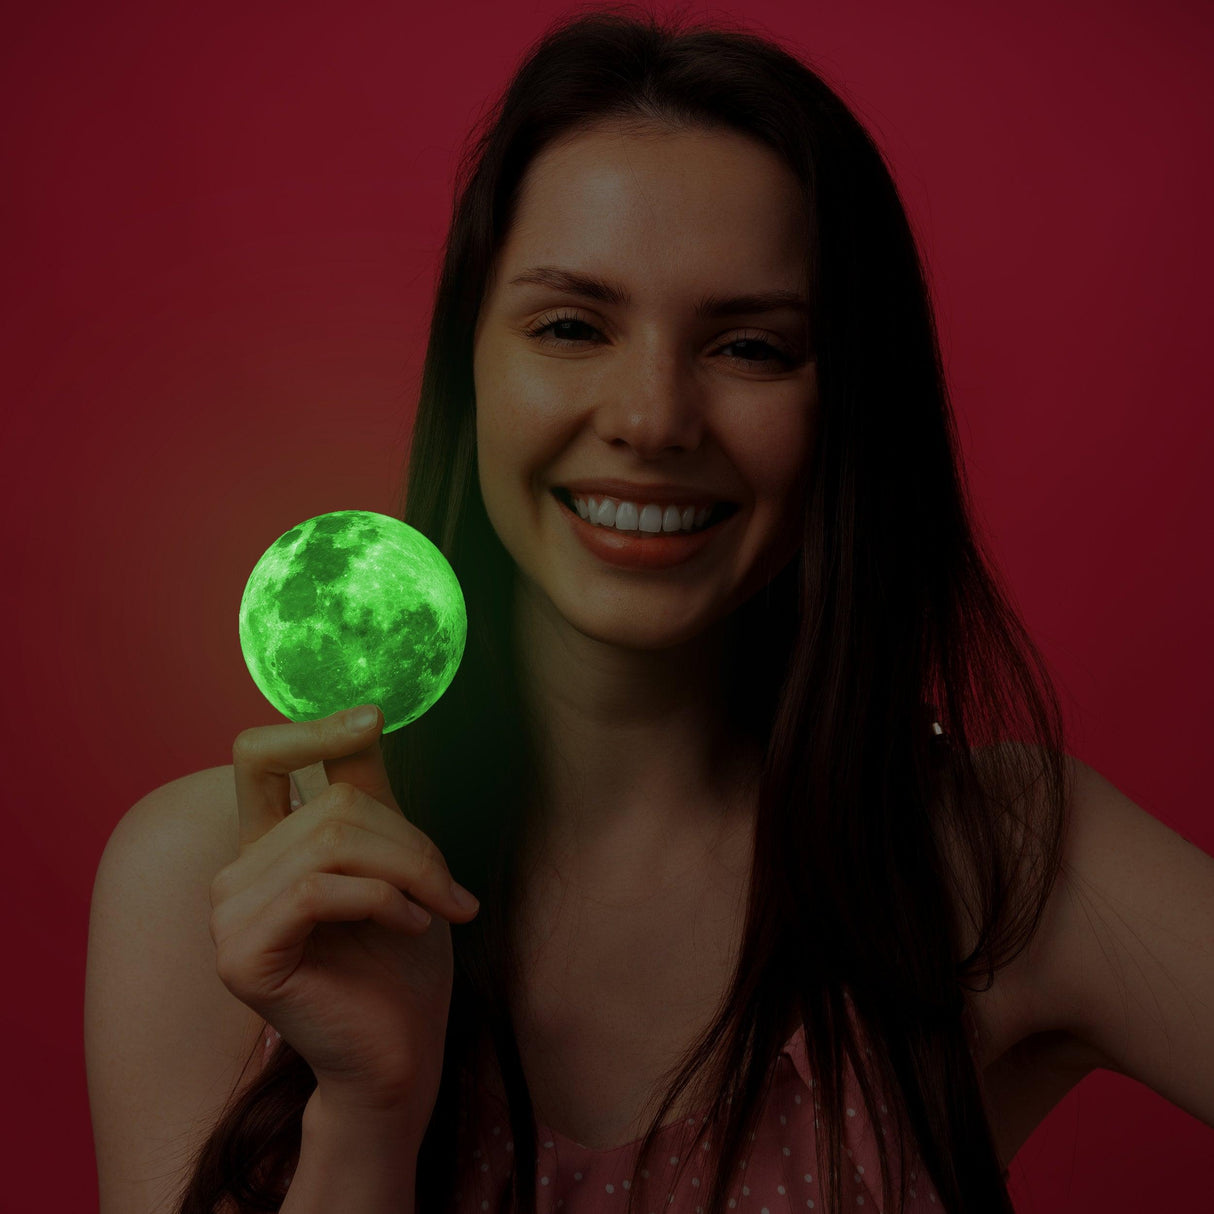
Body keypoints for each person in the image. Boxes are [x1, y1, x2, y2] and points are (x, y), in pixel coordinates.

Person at [86, 8, 1100, 1213]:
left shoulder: (985, 865)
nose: (652, 416)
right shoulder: (218, 880)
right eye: (571, 326)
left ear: (846, 405)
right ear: (471, 363)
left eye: (751, 346)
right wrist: (366, 1110)